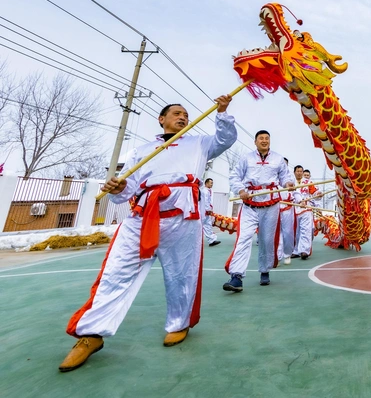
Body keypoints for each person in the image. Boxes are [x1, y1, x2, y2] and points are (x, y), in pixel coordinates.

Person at [59, 96, 237, 372]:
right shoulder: (142, 150)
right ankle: (91, 334)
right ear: (161, 119)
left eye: (186, 115)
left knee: (181, 274)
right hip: (142, 216)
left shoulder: (200, 144)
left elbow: (225, 140)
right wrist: (118, 189)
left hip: (182, 218)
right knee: (115, 272)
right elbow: (128, 189)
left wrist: (223, 113)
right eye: (177, 114)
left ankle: (179, 324)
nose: (183, 118)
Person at [224, 130, 294, 291]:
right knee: (244, 237)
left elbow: (285, 177)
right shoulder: (246, 158)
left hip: (271, 204)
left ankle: (264, 270)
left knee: (266, 240)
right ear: (255, 142)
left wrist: (288, 183)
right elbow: (234, 177)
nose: (264, 141)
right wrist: (240, 190)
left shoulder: (278, 159)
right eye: (261, 138)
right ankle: (236, 276)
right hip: (250, 203)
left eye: (267, 138)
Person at [292, 166, 318, 260]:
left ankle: (304, 251)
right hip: (294, 209)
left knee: (305, 230)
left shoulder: (308, 183)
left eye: (301, 171)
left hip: (306, 209)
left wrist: (317, 194)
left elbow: (314, 192)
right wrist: (299, 201)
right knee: (295, 232)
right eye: (297, 171)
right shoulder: (290, 182)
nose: (299, 173)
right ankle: (295, 251)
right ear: (294, 172)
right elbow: (291, 194)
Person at [277, 159, 297, 265]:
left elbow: (296, 191)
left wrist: (300, 200)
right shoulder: (273, 175)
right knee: (276, 233)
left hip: (288, 208)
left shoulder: (291, 177)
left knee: (287, 233)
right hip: (274, 207)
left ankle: (287, 254)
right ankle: (277, 256)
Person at [201, 178, 221, 247]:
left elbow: (210, 201)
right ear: (206, 183)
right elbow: (205, 201)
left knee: (207, 225)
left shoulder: (210, 191)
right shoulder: (204, 191)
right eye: (210, 183)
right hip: (204, 211)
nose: (212, 184)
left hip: (207, 211)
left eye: (212, 183)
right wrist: (208, 209)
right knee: (202, 225)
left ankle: (211, 240)